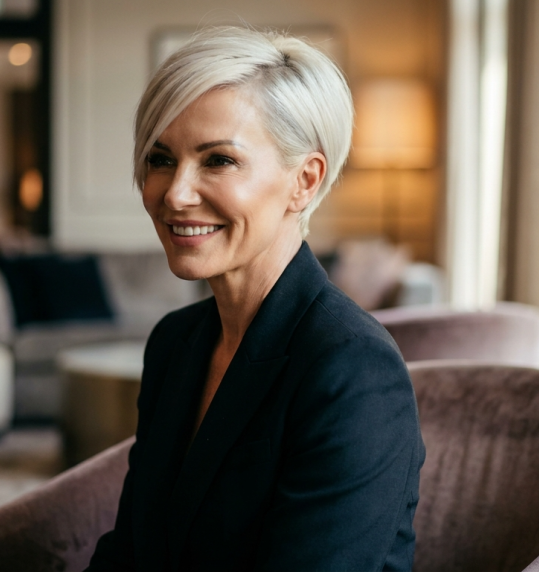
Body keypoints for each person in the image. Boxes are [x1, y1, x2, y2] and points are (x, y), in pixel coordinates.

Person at [87, 26, 425, 572]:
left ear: (305, 182)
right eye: (160, 158)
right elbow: (133, 550)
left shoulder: (354, 369)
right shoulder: (175, 343)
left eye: (218, 160)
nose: (175, 194)